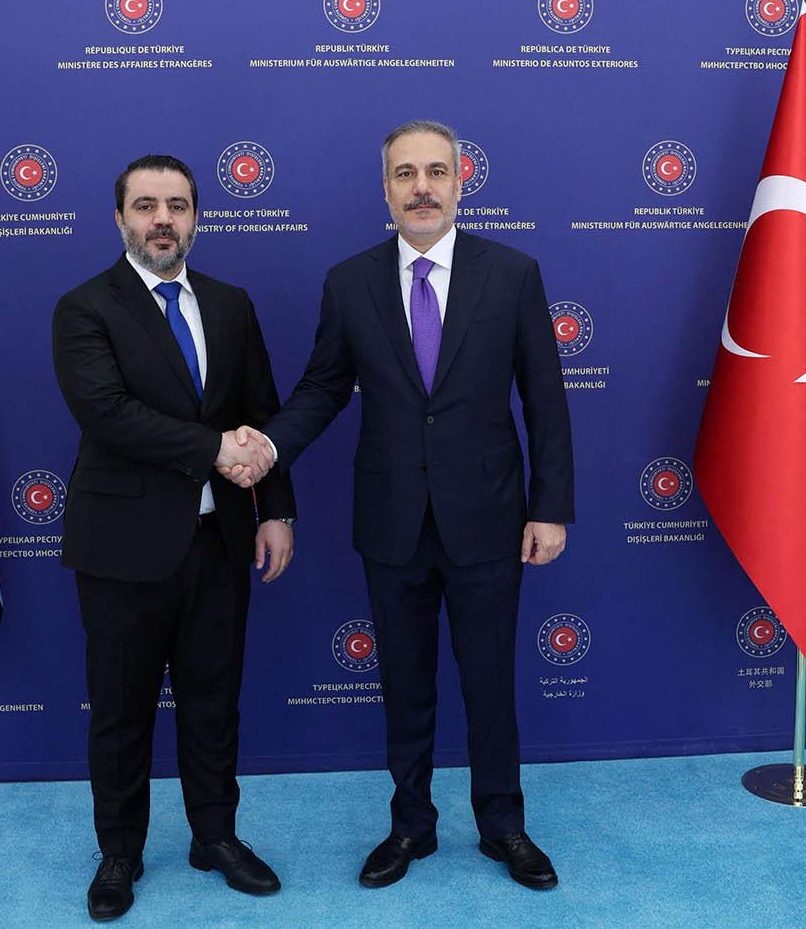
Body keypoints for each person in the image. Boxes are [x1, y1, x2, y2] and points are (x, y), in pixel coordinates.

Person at [227, 120, 573, 891]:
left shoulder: (512, 273)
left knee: (489, 683)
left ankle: (503, 825)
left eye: (436, 172)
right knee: (405, 684)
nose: (422, 187)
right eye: (406, 173)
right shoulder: (349, 282)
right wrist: (269, 447)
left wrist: (550, 507)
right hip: (391, 520)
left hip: (488, 517)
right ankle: (411, 825)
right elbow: (322, 388)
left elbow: (544, 396)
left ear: (461, 181)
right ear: (383, 188)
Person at [52, 155, 295, 921]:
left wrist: (276, 509)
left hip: (217, 539)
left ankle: (215, 836)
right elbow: (108, 413)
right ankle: (120, 850)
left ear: (197, 218)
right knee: (122, 708)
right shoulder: (85, 307)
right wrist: (214, 449)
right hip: (122, 546)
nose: (164, 219)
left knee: (214, 699)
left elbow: (263, 407)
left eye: (179, 205)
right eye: (147, 205)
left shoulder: (231, 303)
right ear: (119, 218)